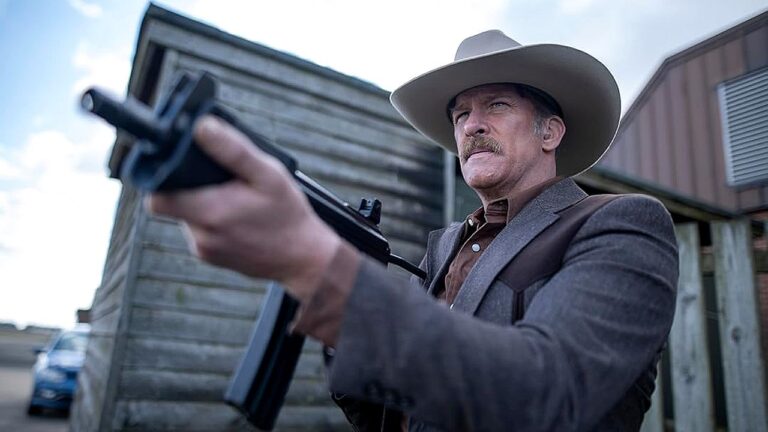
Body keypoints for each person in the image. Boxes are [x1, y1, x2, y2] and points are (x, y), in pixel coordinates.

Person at [149, 30, 678, 431]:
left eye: (496, 104)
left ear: (550, 131)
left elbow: (550, 394)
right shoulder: (445, 245)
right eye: (461, 114)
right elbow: (389, 411)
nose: (471, 125)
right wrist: (336, 315)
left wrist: (323, 268)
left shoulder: (620, 223)